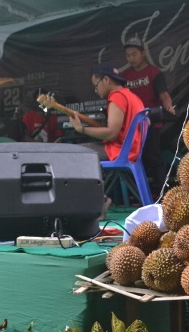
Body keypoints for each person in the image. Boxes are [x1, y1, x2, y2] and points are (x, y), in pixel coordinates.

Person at [69, 62, 145, 216]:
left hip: (120, 151)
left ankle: (100, 201)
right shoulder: (133, 96)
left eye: (95, 84)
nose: (95, 89)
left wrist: (81, 129)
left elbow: (111, 133)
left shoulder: (117, 96)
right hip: (131, 150)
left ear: (106, 80)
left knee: (75, 154)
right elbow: (146, 122)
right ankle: (100, 199)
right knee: (86, 151)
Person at [122, 36, 176, 195]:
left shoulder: (154, 73)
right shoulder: (124, 76)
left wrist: (169, 107)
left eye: (134, 54)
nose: (131, 58)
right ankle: (138, 195)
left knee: (153, 157)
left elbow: (164, 94)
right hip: (132, 126)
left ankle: (162, 194)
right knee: (134, 159)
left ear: (142, 53)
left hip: (151, 123)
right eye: (128, 55)